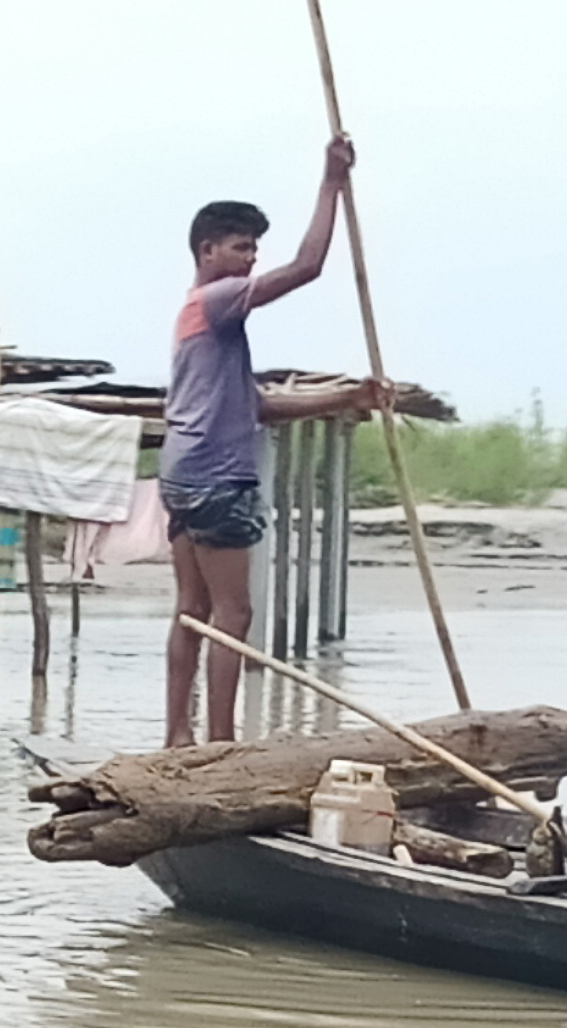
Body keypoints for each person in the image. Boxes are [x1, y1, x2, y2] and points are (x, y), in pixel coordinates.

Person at [163, 137, 372, 746]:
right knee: (235, 615)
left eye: (255, 249)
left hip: (182, 473)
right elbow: (308, 267)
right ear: (208, 250)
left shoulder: (198, 320)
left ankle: (179, 734)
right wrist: (331, 182)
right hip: (216, 477)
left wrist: (348, 399)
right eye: (241, 247)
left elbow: (261, 407)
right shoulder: (219, 299)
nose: (251, 259)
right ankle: (223, 745)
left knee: (193, 609)